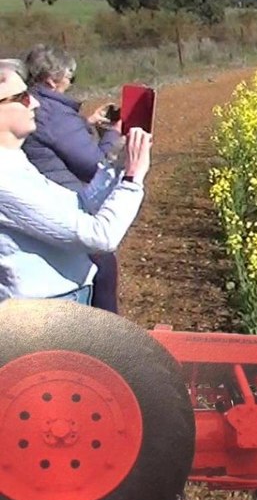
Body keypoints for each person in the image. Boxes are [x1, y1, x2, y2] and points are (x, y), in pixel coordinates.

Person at [0, 61, 151, 304]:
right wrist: (132, 180)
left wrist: (117, 164)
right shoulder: (4, 179)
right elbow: (100, 237)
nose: (35, 103)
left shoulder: (14, 160)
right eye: (23, 98)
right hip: (45, 312)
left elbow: (79, 204)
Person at [19, 45, 126, 312]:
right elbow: (94, 165)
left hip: (41, 201)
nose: (71, 82)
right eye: (70, 77)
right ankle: (104, 332)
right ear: (51, 80)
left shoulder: (28, 104)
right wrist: (113, 134)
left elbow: (51, 141)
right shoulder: (53, 113)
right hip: (64, 203)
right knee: (102, 264)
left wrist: (85, 125)